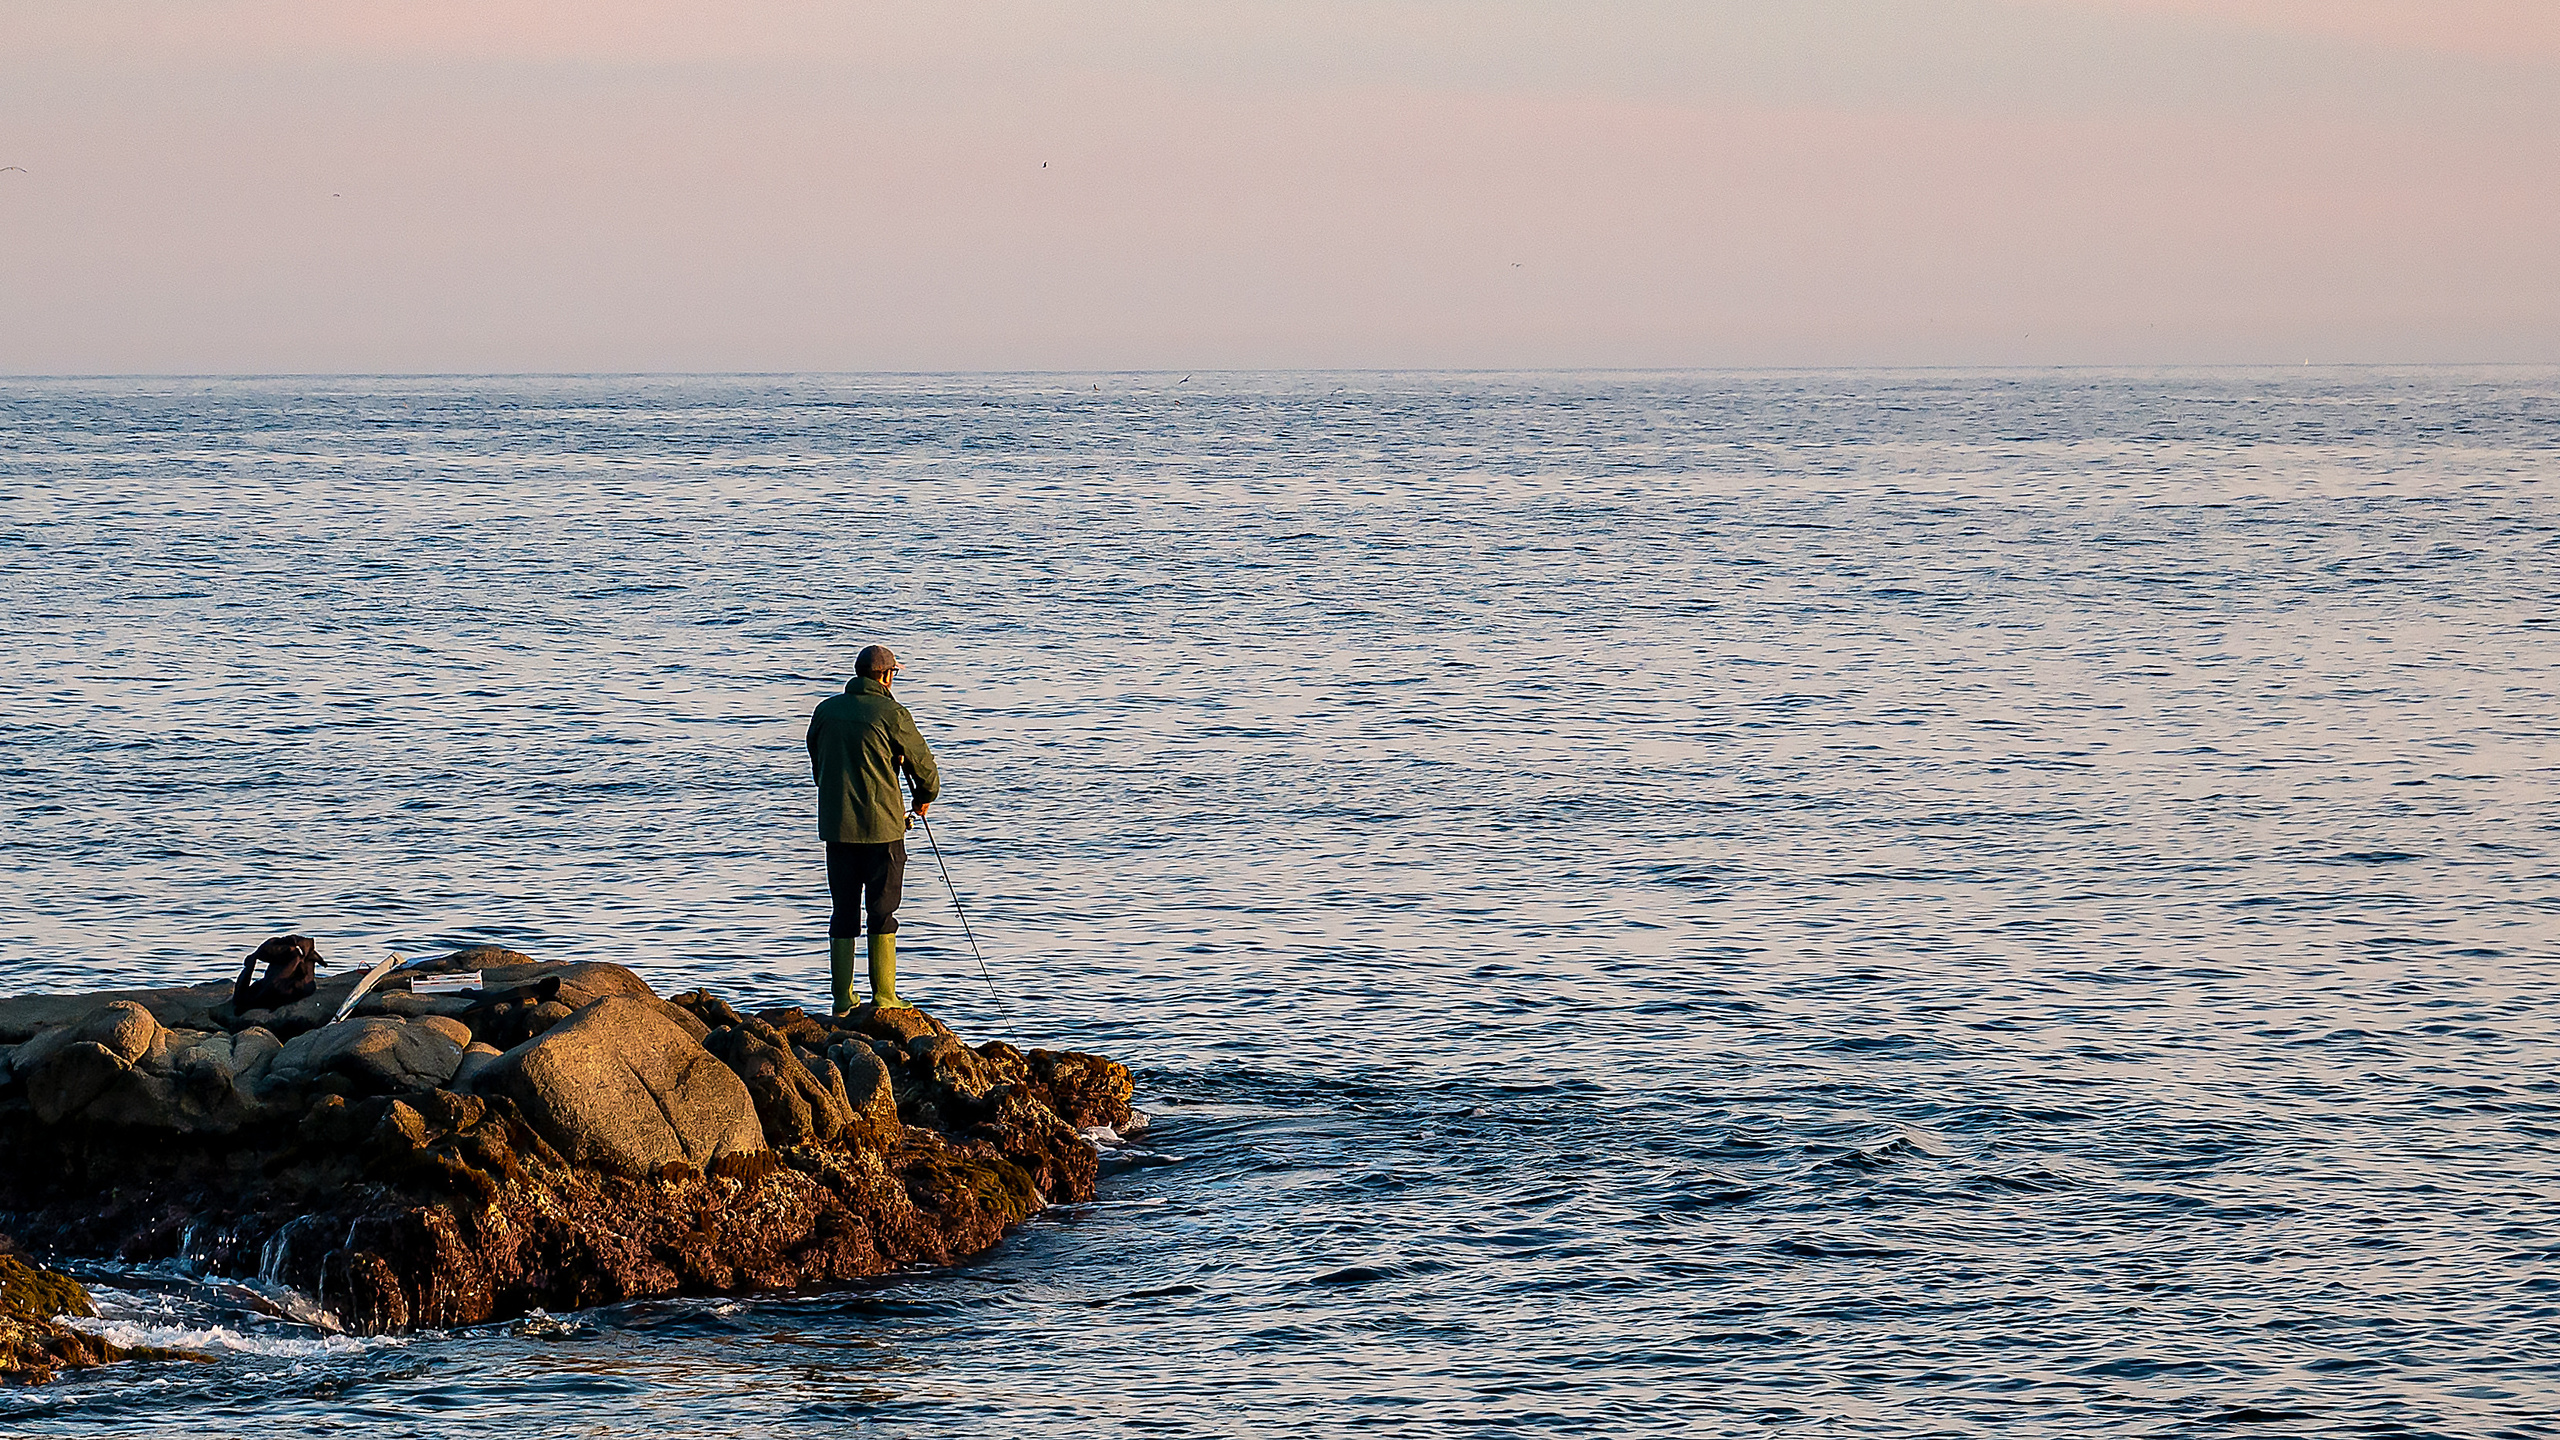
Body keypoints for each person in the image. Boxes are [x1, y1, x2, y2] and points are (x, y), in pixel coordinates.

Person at [806, 644, 940, 1013]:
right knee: (882, 910)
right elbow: (925, 768)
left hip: (837, 828)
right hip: (884, 831)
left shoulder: (826, 711)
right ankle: (884, 996)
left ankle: (842, 998)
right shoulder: (892, 713)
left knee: (843, 910)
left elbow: (816, 758)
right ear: (885, 676)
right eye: (894, 674)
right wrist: (922, 799)